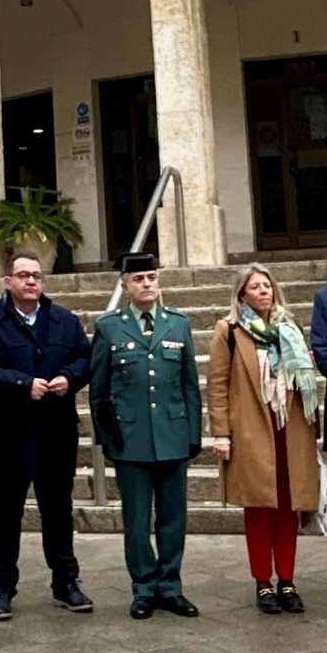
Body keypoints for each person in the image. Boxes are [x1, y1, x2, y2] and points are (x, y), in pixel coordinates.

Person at [0, 254, 94, 619]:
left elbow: (86, 360)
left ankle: (65, 582)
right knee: (6, 512)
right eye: (23, 275)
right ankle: (2, 586)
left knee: (58, 510)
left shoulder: (64, 321)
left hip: (56, 433)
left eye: (36, 276)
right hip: (9, 434)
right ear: (7, 281)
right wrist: (23, 383)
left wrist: (69, 378)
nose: (30, 282)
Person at [91, 252, 203, 618]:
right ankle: (143, 587)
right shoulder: (109, 327)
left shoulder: (178, 324)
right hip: (130, 438)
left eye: (152, 277)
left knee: (173, 518)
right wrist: (107, 438)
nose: (147, 284)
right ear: (125, 285)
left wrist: (193, 434)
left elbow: (189, 385)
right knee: (137, 521)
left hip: (172, 435)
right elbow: (99, 390)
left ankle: (170, 586)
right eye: (139, 279)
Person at [207, 263, 322, 614]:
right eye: (255, 287)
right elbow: (217, 386)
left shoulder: (289, 327)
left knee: (289, 507)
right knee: (258, 509)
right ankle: (263, 583)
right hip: (251, 429)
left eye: (267, 286)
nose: (263, 292)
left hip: (291, 428)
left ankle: (287, 580)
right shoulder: (229, 330)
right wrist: (221, 434)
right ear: (241, 293)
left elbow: (305, 382)